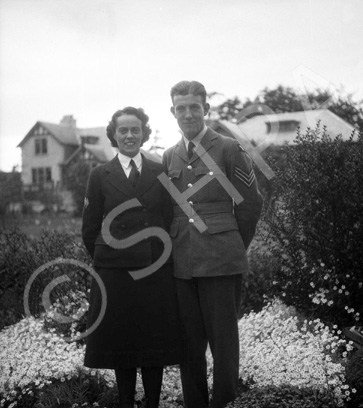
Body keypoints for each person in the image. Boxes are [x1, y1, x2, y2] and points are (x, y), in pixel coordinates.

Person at [162, 80, 263, 408]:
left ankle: (225, 404)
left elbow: (250, 204)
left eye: (194, 107)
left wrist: (232, 244)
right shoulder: (168, 155)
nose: (188, 114)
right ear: (172, 112)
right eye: (181, 108)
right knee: (188, 347)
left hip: (221, 262)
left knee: (223, 346)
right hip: (183, 265)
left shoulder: (228, 148)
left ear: (206, 109)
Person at [82, 106, 182, 408]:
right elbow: (89, 229)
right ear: (114, 134)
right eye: (123, 130)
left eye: (135, 129)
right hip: (115, 273)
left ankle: (152, 403)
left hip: (154, 269)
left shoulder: (159, 172)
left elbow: (167, 219)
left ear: (144, 134)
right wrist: (112, 258)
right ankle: (126, 402)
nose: (129, 135)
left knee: (154, 343)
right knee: (121, 342)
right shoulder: (100, 175)